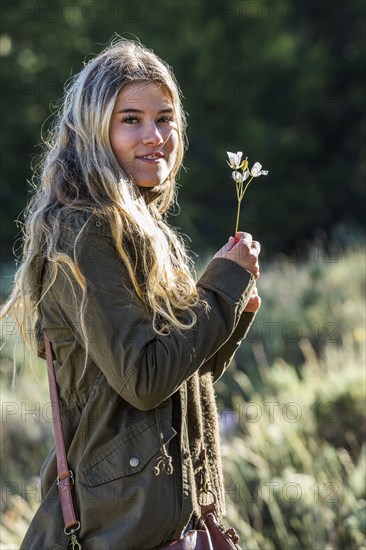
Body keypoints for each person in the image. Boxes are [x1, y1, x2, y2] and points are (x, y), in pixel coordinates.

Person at [2, 37, 261, 549]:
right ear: (94, 132)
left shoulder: (138, 227)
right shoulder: (85, 233)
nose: (155, 136)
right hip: (120, 532)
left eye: (165, 118)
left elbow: (183, 379)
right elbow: (144, 379)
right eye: (131, 120)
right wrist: (217, 294)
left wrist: (234, 307)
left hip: (162, 525)